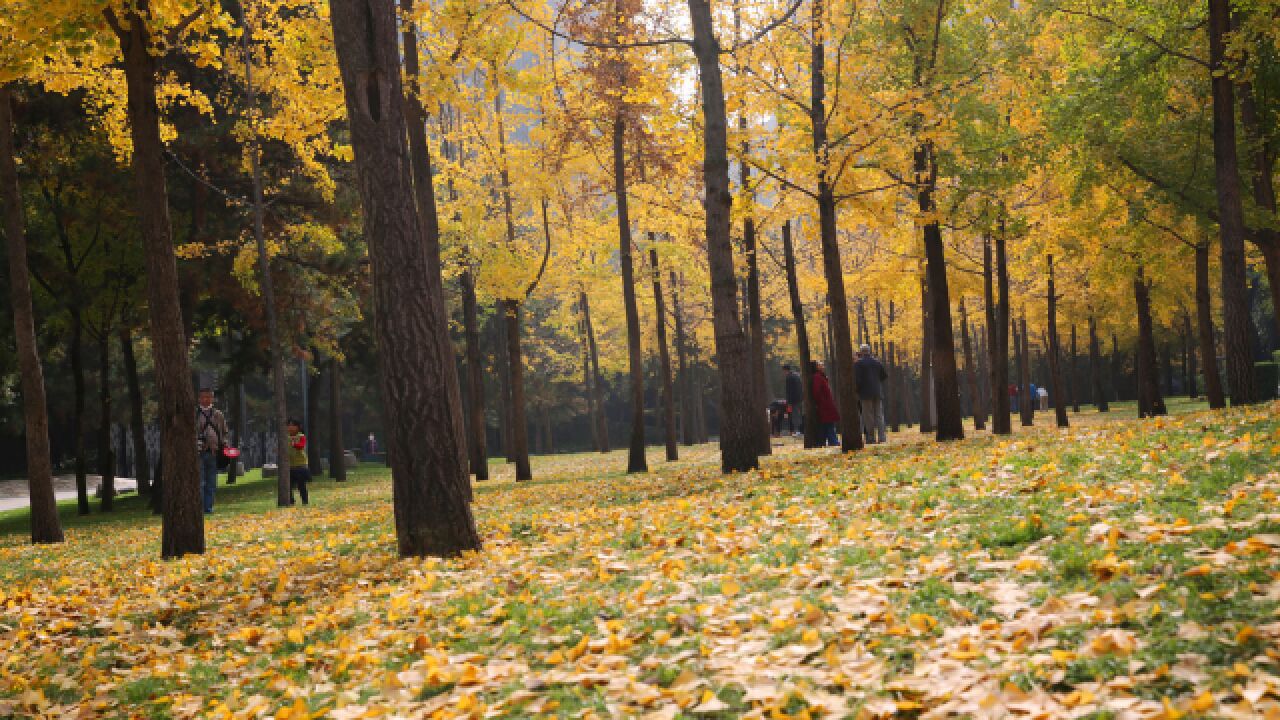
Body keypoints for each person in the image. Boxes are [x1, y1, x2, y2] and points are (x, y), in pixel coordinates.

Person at [196, 387, 229, 514]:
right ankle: (200, 508)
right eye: (203, 397)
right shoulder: (195, 414)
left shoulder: (218, 414)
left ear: (212, 398)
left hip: (214, 452)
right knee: (200, 482)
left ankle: (208, 508)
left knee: (211, 482)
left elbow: (224, 432)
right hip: (199, 453)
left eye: (208, 397)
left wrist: (224, 444)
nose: (206, 399)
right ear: (199, 398)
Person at [854, 344, 889, 444]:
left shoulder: (858, 364)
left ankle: (871, 437)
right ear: (869, 351)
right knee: (879, 415)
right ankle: (882, 437)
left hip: (865, 393)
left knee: (868, 416)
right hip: (877, 392)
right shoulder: (877, 362)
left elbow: (858, 380)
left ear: (861, 352)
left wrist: (857, 390)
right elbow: (884, 376)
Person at [810, 360, 840, 447]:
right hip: (824, 405)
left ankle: (824, 442)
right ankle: (833, 441)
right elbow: (816, 391)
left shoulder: (821, 376)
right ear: (816, 367)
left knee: (826, 424)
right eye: (820, 365)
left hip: (826, 404)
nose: (823, 366)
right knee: (828, 424)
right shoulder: (817, 377)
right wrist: (822, 402)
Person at [287, 418, 311, 506]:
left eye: (292, 425)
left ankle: (305, 501)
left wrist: (294, 444)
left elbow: (301, 446)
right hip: (290, 465)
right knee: (288, 486)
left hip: (300, 465)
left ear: (298, 427)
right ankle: (290, 501)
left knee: (301, 485)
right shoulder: (285, 437)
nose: (290, 427)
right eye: (289, 425)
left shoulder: (301, 436)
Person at [783, 364, 803, 436]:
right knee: (799, 414)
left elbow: (789, 391)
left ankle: (797, 430)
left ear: (785, 370)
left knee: (795, 415)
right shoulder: (796, 376)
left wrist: (789, 402)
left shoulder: (789, 377)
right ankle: (800, 430)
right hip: (799, 398)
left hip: (793, 400)